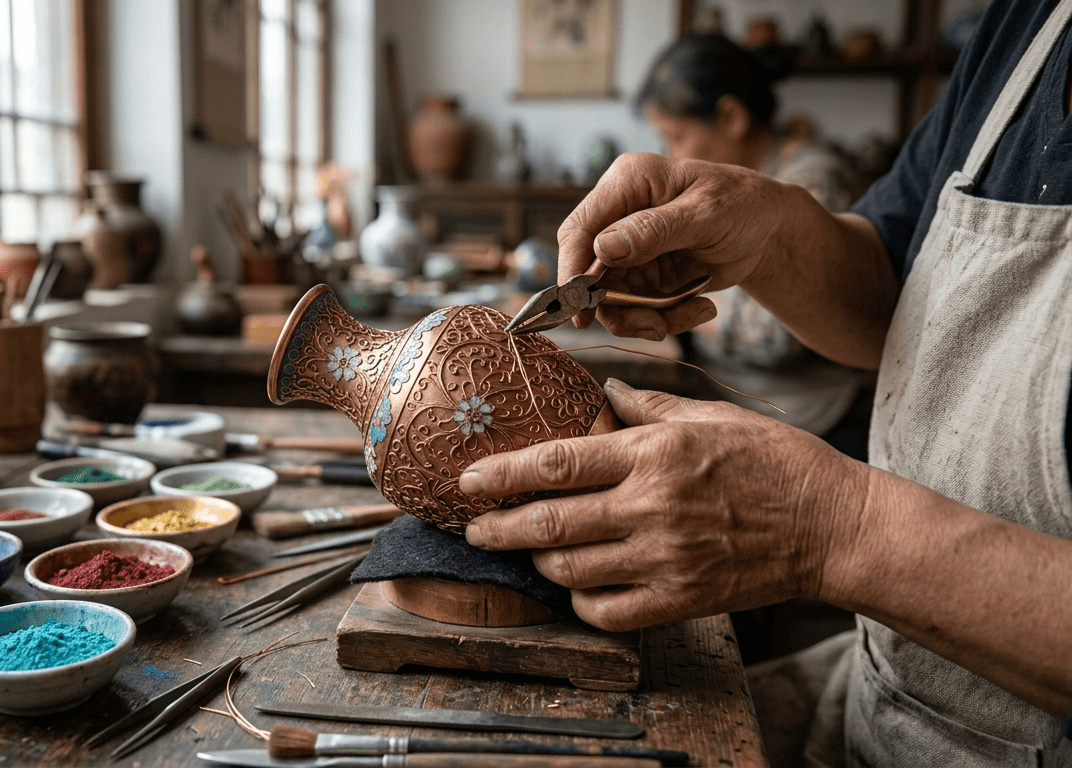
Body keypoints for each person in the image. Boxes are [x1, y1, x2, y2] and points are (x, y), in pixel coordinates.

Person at [459, 0, 1072, 765]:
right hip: (897, 686)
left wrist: (832, 529)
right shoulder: (1029, 21)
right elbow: (896, 290)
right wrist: (772, 232)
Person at [636, 35, 868, 457]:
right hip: (741, 399)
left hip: (810, 424)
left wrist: (664, 299)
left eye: (676, 137)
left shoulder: (813, 180)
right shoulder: (735, 183)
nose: (669, 154)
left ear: (731, 116)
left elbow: (773, 337)